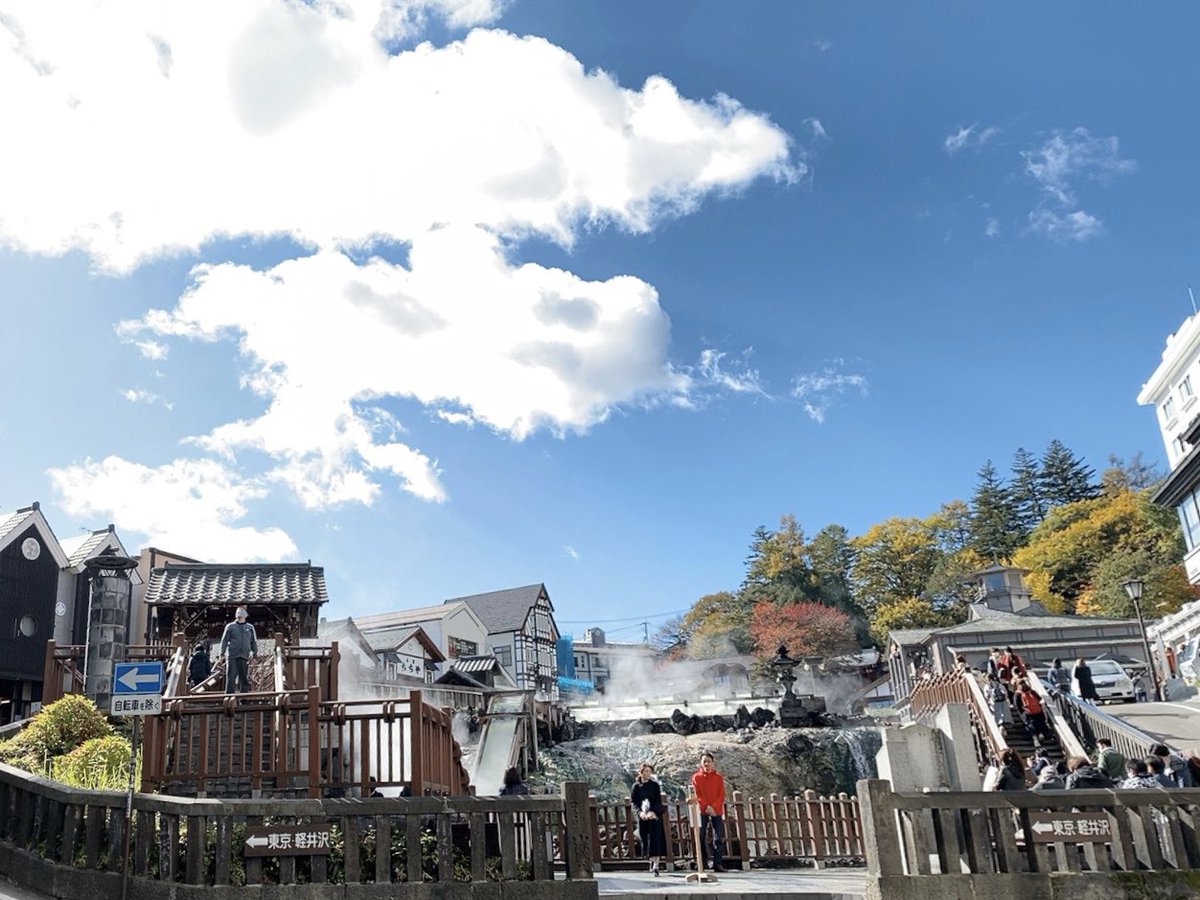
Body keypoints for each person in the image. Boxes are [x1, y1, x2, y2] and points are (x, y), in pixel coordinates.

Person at [691, 752, 727, 872]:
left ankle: (718, 863)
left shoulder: (718, 777)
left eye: (708, 761)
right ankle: (703, 862)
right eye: (704, 761)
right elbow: (697, 794)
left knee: (718, 837)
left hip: (716, 810)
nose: (706, 764)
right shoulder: (696, 777)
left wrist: (714, 807)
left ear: (713, 763)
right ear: (701, 763)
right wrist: (706, 806)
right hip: (702, 809)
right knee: (701, 836)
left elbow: (721, 794)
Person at [631, 762, 666, 876]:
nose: (648, 773)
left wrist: (653, 812)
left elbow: (657, 800)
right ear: (641, 773)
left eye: (649, 771)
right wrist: (640, 813)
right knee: (645, 838)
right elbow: (634, 802)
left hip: (654, 815)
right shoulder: (636, 786)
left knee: (655, 838)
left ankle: (656, 864)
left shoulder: (655, 785)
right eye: (645, 771)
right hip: (642, 816)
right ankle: (650, 861)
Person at [219, 606, 257, 694]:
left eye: (242, 610)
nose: (240, 612)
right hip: (232, 655)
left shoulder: (250, 627)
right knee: (231, 677)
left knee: (243, 678)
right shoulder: (230, 626)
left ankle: (243, 699)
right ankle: (229, 697)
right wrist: (222, 653)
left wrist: (255, 654)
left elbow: (253, 641)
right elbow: (224, 640)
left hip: (244, 655)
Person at [1014, 682, 1051, 749]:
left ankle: (1035, 738)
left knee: (1030, 725)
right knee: (1040, 723)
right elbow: (1040, 699)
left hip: (1028, 713)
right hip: (1038, 711)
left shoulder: (1018, 694)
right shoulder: (1032, 692)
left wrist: (1022, 713)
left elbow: (1018, 705)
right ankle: (1040, 734)